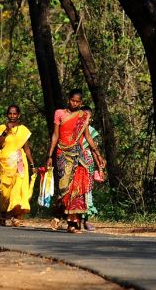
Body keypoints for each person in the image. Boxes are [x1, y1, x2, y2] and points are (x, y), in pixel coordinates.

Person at [45, 89, 105, 233]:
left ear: (81, 102)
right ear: (68, 100)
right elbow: (55, 135)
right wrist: (49, 155)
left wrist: (98, 154)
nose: (75, 103)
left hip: (78, 155)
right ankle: (58, 213)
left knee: (76, 187)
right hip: (62, 154)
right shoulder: (59, 113)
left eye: (78, 101)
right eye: (73, 100)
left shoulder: (83, 116)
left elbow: (88, 137)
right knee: (64, 187)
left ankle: (72, 223)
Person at [0, 104, 34, 227]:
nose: (12, 116)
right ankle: (3, 214)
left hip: (19, 162)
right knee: (5, 192)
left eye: (14, 114)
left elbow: (26, 148)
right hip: (5, 162)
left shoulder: (23, 130)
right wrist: (6, 131)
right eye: (10, 114)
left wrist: (32, 164)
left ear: (18, 115)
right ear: (7, 115)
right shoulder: (2, 128)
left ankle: (16, 217)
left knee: (18, 188)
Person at [79, 105, 103, 232]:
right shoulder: (73, 129)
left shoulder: (92, 131)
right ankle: (75, 219)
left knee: (87, 191)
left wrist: (99, 165)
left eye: (88, 116)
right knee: (75, 190)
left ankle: (86, 220)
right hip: (74, 162)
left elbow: (94, 149)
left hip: (87, 162)